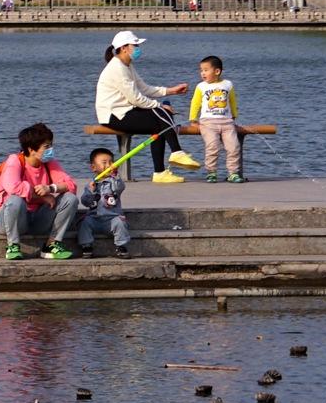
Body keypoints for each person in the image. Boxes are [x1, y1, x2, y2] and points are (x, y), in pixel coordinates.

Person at [95, 31, 199, 180]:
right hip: (114, 116)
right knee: (161, 112)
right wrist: (159, 106)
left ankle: (160, 173)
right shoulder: (117, 67)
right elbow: (135, 98)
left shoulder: (126, 65)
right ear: (124, 48)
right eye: (135, 45)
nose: (138, 48)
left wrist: (171, 91)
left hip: (124, 112)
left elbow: (144, 88)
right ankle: (176, 152)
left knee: (160, 121)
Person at [0, 122, 78, 260]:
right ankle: (13, 246)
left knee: (70, 199)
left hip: (36, 218)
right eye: (46, 147)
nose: (51, 150)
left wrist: (50, 188)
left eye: (51, 145)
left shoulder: (49, 163)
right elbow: (14, 188)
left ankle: (52, 245)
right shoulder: (14, 161)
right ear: (31, 150)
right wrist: (42, 197)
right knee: (15, 200)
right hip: (7, 219)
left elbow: (71, 185)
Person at [188, 54, 242, 183]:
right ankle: (211, 172)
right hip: (208, 122)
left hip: (227, 122)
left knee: (234, 147)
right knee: (212, 146)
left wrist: (234, 115)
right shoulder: (201, 86)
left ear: (217, 71)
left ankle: (233, 173)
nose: (202, 73)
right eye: (201, 70)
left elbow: (232, 101)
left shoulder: (228, 84)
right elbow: (195, 103)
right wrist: (193, 119)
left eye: (206, 70)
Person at [77, 147, 130, 257]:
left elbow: (120, 187)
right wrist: (91, 192)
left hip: (111, 218)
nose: (108, 165)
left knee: (120, 223)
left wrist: (115, 174)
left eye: (111, 162)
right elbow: (85, 202)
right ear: (93, 167)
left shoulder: (113, 182)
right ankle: (86, 246)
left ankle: (121, 246)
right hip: (95, 218)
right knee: (84, 222)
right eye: (104, 162)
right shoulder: (91, 185)